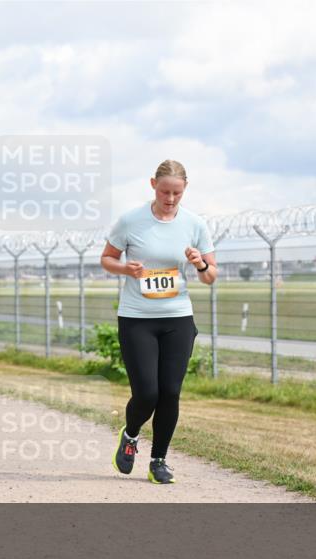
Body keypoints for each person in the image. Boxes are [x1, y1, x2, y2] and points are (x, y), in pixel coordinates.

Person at [100, 159, 217, 484]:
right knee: (147, 392)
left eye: (176, 193)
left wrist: (200, 265)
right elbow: (107, 259)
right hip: (137, 318)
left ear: (185, 189)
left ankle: (159, 460)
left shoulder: (195, 224)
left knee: (171, 391)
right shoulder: (131, 221)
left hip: (178, 318)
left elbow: (211, 277)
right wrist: (126, 269)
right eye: (165, 191)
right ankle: (132, 434)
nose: (170, 199)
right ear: (153, 184)